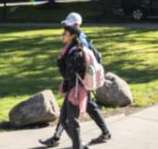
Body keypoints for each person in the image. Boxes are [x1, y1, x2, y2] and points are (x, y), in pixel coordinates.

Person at [41, 13, 110, 147]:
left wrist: (61, 61)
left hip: (78, 85)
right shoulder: (78, 40)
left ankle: (76, 143)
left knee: (71, 119)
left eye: (67, 26)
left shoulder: (79, 44)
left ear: (75, 27)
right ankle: (59, 138)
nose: (64, 30)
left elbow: (72, 70)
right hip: (79, 84)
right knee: (71, 116)